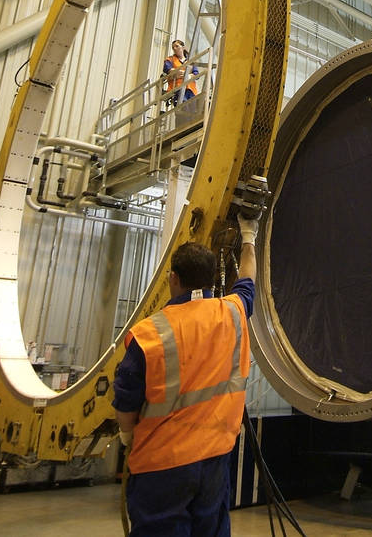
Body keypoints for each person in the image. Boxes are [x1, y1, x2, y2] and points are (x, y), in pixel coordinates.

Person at [113, 217, 258, 536]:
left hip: (162, 464)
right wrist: (249, 234)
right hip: (215, 459)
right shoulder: (232, 313)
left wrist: (127, 437)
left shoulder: (149, 333)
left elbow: (126, 399)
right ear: (211, 280)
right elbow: (248, 280)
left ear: (172, 279)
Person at [163, 39, 199, 105]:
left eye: (177, 46)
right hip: (177, 88)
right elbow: (168, 69)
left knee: (193, 108)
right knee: (183, 106)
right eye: (173, 47)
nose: (174, 48)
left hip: (191, 89)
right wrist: (178, 72)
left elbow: (196, 74)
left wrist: (188, 76)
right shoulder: (170, 59)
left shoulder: (190, 61)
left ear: (183, 47)